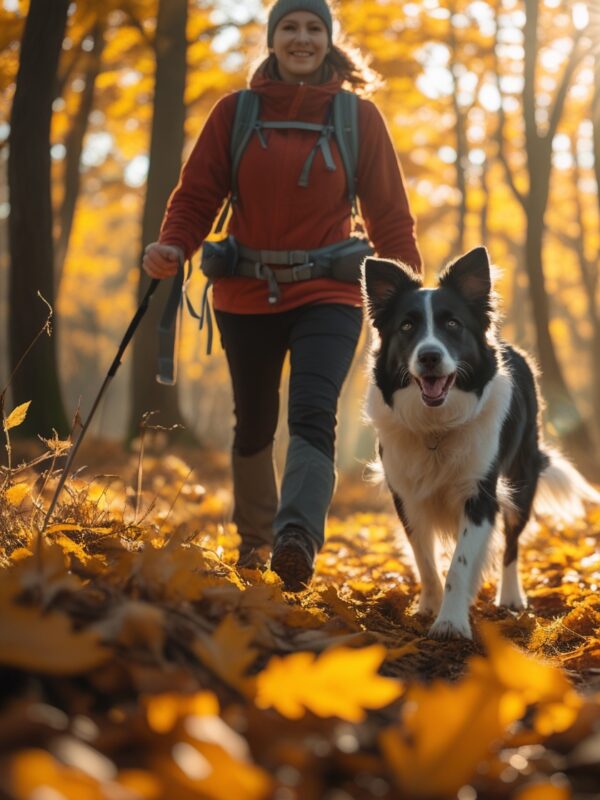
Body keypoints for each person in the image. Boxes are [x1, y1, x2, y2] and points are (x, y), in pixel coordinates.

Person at [142, 0, 421, 590]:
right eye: (290, 27)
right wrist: (174, 245)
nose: (302, 38)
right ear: (272, 40)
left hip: (331, 293)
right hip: (245, 293)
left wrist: (409, 302)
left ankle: (296, 539)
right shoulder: (235, 113)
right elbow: (197, 196)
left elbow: (391, 216)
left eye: (314, 28)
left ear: (328, 40)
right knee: (255, 421)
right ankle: (254, 539)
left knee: (313, 412)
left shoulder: (357, 118)